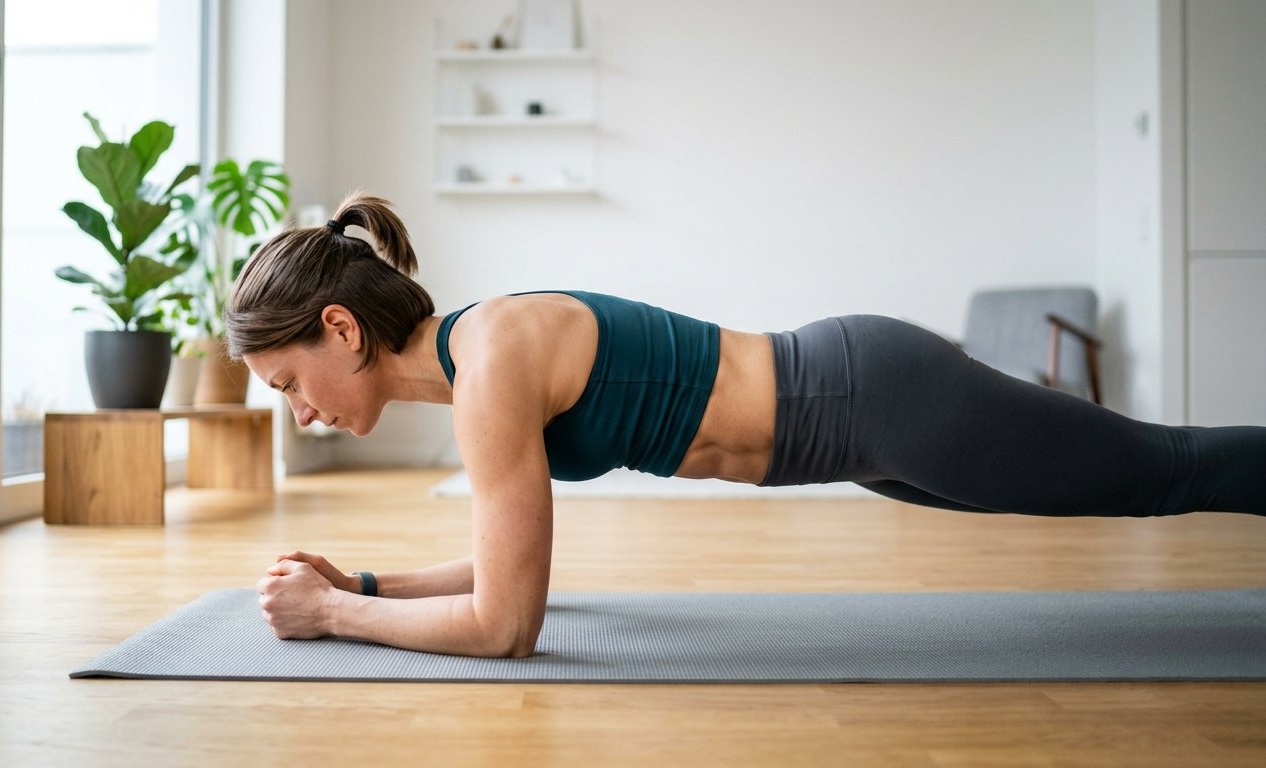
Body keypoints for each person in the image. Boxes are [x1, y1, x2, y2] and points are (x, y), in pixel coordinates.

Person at [232, 192, 1266, 658]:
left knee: (1155, 473)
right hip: (862, 435)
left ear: (341, 328)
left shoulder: (491, 358)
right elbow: (498, 565)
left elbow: (506, 626)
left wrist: (335, 619)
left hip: (877, 400)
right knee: (1144, 476)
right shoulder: (476, 371)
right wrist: (360, 585)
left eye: (288, 379)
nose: (299, 409)